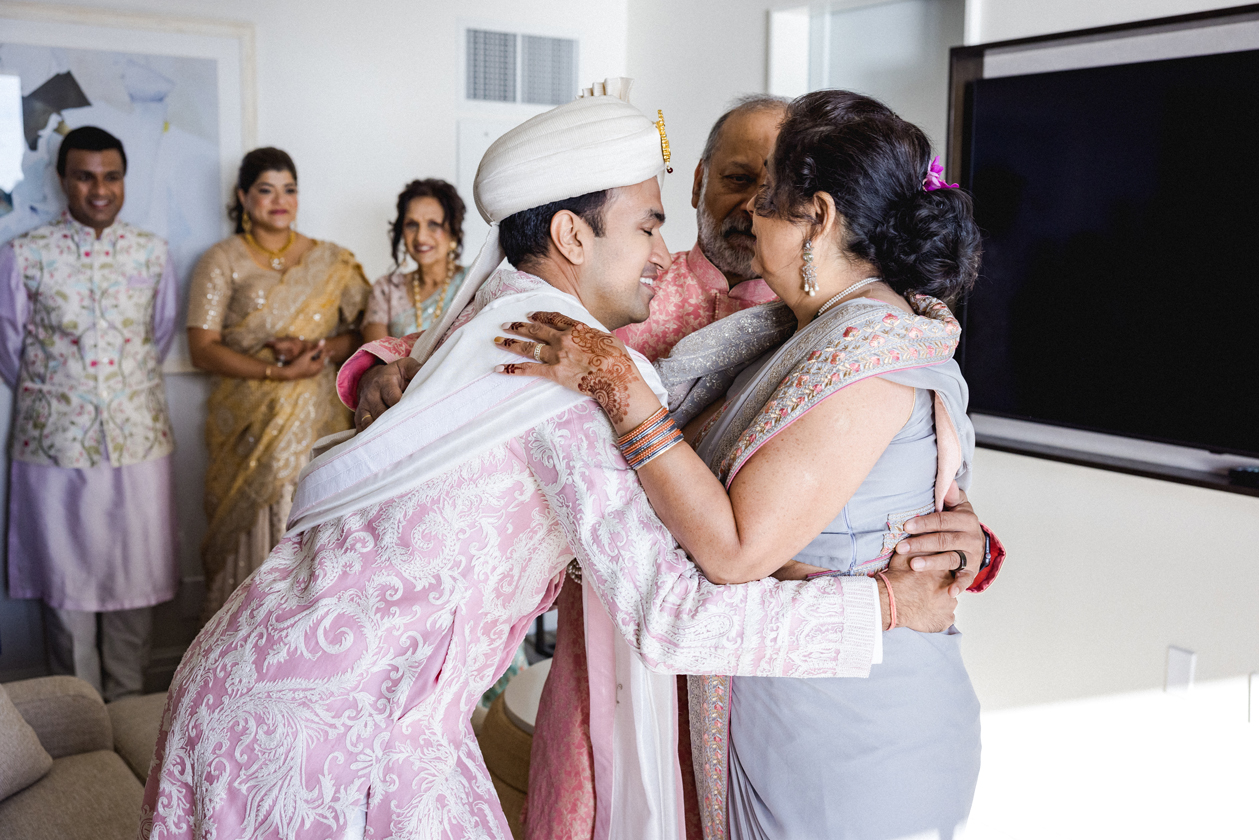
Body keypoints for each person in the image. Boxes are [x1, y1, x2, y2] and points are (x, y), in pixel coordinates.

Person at [140, 80, 960, 840]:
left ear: (819, 219)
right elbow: (674, 598)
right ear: (576, 232)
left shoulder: (812, 324)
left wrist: (956, 530)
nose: (672, 246)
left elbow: (898, 445)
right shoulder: (573, 355)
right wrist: (886, 606)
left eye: (769, 192)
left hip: (327, 686)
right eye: (651, 223)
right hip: (362, 708)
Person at [497, 89, 987, 839]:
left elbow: (736, 546)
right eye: (739, 180)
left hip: (839, 738)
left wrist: (622, 387)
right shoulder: (797, 327)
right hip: (685, 687)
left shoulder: (869, 345)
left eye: (770, 190)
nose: (753, 207)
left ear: (817, 217)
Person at [0, 126, 178, 701]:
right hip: (54, 440)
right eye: (84, 176)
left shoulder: (152, 253)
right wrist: (67, 394)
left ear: (124, 180)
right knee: (66, 586)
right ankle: (80, 720)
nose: (99, 190)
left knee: (136, 578)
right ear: (62, 179)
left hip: (138, 437)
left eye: (111, 176)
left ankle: (128, 711)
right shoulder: (25, 254)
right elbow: (9, 347)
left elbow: (159, 334)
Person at [186, 147, 371, 620]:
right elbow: (201, 348)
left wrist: (319, 348)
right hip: (250, 422)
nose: (279, 201)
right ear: (243, 197)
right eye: (266, 190)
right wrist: (276, 372)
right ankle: (244, 629)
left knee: (314, 511)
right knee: (253, 515)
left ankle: (306, 630)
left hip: (317, 417)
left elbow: (364, 332)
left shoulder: (329, 259)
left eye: (289, 190)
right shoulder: (222, 259)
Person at [362, 179, 468, 342]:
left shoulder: (476, 283)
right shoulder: (387, 290)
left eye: (433, 224)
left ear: (453, 232)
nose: (421, 237)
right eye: (412, 225)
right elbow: (376, 355)